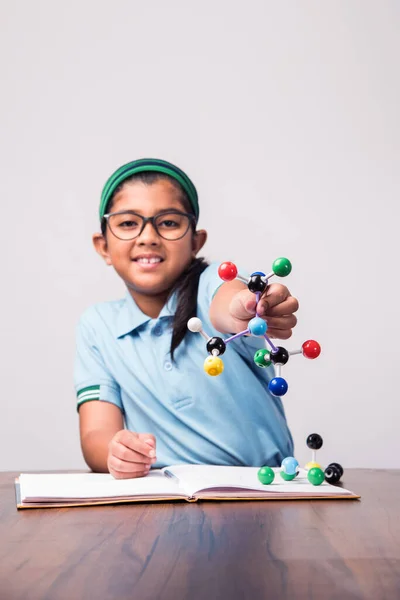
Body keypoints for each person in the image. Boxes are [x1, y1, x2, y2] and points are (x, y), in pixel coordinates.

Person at [74, 158, 299, 479]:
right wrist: (116, 451)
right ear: (103, 247)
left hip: (265, 495)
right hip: (164, 503)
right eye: (127, 223)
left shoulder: (210, 283)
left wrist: (247, 309)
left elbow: (229, 303)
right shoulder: (97, 326)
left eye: (168, 222)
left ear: (196, 241)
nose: (148, 236)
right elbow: (95, 434)